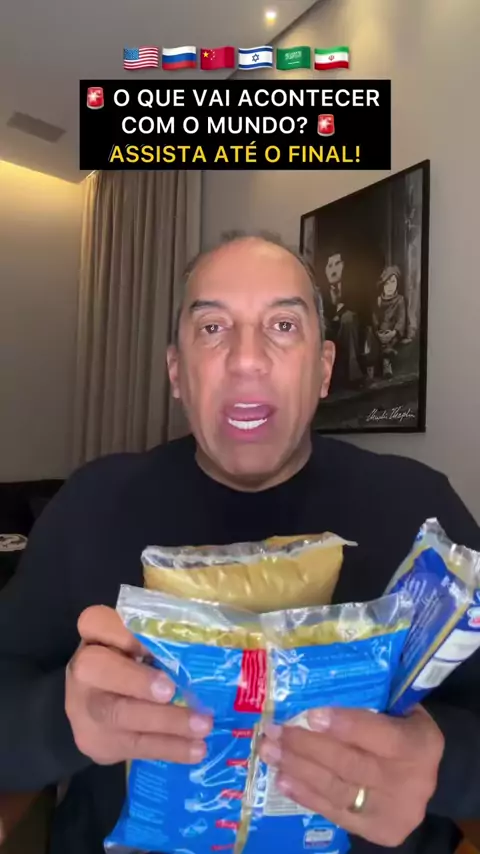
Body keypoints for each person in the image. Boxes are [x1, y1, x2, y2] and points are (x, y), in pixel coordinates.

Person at [0, 232, 479, 854]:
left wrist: (443, 765)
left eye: (283, 325)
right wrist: (58, 720)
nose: (247, 359)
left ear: (324, 369)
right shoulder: (92, 504)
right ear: (177, 372)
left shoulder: (419, 511)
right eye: (212, 328)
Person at [322, 250, 364, 387]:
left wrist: (339, 313)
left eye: (337, 264)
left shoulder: (353, 286)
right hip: (330, 328)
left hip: (348, 329)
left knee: (348, 318)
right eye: (330, 266)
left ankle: (353, 375)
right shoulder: (320, 290)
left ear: (344, 266)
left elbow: (358, 307)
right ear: (325, 270)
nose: (333, 270)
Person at [372, 265, 407, 378]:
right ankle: (372, 366)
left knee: (387, 342)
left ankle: (386, 363)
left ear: (397, 283)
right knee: (372, 339)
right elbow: (374, 317)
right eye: (386, 283)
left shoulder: (400, 300)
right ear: (382, 285)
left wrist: (394, 332)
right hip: (380, 331)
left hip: (392, 331)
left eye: (393, 282)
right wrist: (377, 331)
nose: (390, 286)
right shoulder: (379, 300)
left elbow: (401, 319)